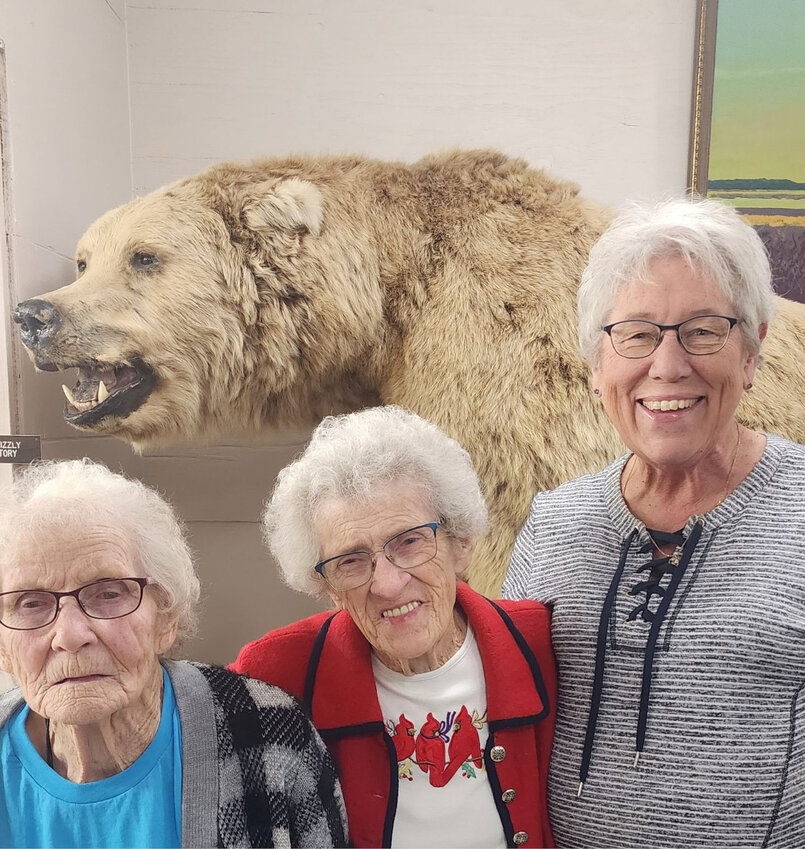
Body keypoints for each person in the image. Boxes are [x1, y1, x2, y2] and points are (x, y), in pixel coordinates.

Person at [504, 196, 805, 849]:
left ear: (750, 352)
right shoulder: (551, 523)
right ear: (596, 365)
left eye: (702, 330)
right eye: (636, 334)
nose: (667, 366)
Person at [232, 406, 557, 849]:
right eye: (351, 561)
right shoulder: (278, 672)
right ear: (327, 586)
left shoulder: (541, 642)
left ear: (460, 543)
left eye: (409, 542)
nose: (387, 583)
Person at [0, 459, 348, 849]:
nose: (69, 635)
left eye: (109, 593)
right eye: (30, 603)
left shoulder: (268, 734)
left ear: (167, 618)